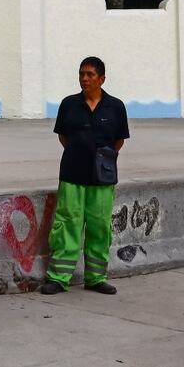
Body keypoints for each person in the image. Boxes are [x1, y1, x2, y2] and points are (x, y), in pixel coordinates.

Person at [41, 56, 129, 296]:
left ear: (102, 78)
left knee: (100, 226)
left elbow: (119, 140)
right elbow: (63, 137)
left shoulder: (116, 107)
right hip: (72, 174)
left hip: (103, 178)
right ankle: (59, 278)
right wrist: (79, 154)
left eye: (90, 75)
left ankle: (96, 278)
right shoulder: (68, 104)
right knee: (67, 224)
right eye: (81, 74)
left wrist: (102, 160)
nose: (84, 79)